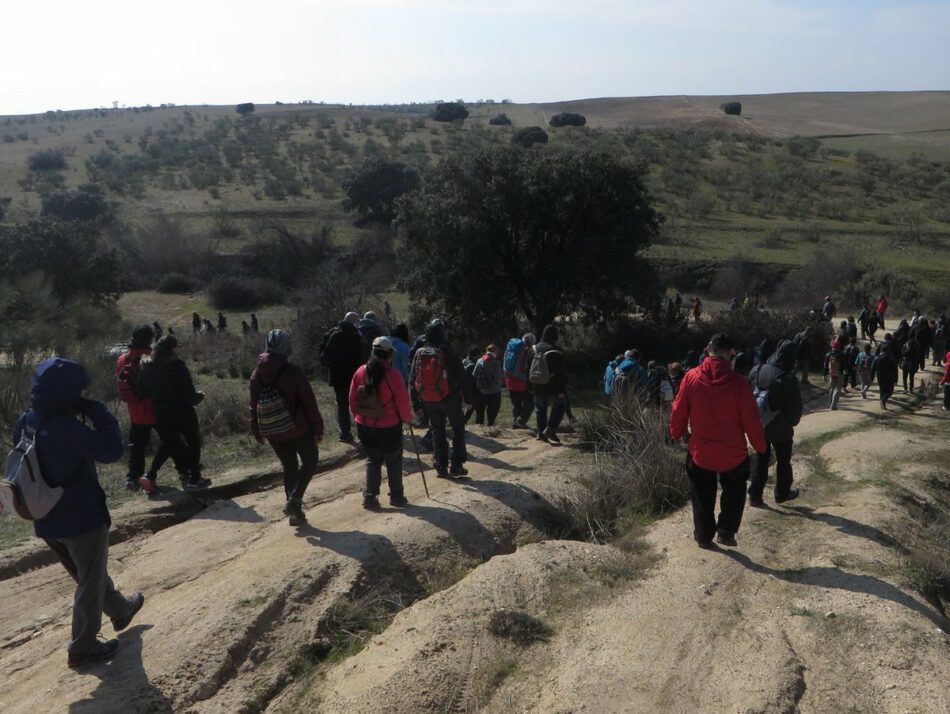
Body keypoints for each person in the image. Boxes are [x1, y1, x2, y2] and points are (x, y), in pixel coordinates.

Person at [12, 358, 144, 668]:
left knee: (89, 575)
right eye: (80, 389)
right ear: (69, 393)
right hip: (80, 518)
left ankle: (121, 610)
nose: (85, 391)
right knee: (89, 581)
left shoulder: (27, 421)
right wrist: (95, 410)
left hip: (44, 516)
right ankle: (82, 648)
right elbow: (112, 450)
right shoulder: (66, 429)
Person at [669, 333, 766, 548]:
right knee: (734, 490)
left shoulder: (691, 377)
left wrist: (676, 433)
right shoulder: (740, 383)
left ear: (708, 349)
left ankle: (704, 535)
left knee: (701, 494)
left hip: (700, 451)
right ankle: (726, 532)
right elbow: (752, 420)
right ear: (730, 353)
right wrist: (760, 446)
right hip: (733, 452)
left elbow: (678, 410)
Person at [249, 330, 324, 526]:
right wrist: (318, 428)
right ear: (286, 347)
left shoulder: (256, 374)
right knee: (310, 460)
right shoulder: (293, 371)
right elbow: (309, 401)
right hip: (297, 428)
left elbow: (253, 405)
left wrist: (256, 430)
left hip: (272, 430)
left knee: (289, 466)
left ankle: (294, 514)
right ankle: (295, 501)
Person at [135, 335, 210, 491]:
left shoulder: (147, 367)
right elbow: (189, 396)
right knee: (193, 442)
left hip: (161, 413)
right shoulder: (178, 367)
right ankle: (195, 478)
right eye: (178, 347)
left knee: (169, 443)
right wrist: (200, 395)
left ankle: (150, 475)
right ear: (173, 348)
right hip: (182, 411)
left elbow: (141, 392)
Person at [115, 325, 180, 494]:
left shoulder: (123, 359)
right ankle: (182, 471)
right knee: (173, 440)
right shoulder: (153, 356)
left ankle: (134, 478)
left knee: (137, 446)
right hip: (156, 409)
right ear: (151, 338)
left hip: (135, 410)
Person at [350, 337, 413, 508]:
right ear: (389, 354)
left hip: (365, 426)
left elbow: (352, 401)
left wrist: (360, 418)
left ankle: (370, 497)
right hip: (389, 427)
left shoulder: (360, 372)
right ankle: (397, 497)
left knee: (373, 459)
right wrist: (407, 419)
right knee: (393, 461)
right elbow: (402, 402)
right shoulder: (393, 375)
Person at [411, 320, 470, 477]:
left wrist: (415, 402)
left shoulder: (420, 352)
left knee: (437, 430)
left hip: (428, 399)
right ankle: (456, 465)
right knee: (458, 428)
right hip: (448, 397)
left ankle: (440, 466)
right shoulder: (446, 350)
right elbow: (461, 374)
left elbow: (413, 379)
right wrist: (469, 397)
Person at [747, 340, 803, 507]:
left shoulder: (757, 370)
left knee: (761, 459)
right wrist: (791, 422)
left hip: (759, 425)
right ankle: (782, 493)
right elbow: (795, 410)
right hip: (781, 428)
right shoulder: (788, 378)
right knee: (783, 461)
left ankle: (755, 495)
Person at [319, 312, 365, 443]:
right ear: (354, 321)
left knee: (342, 406)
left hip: (338, 377)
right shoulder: (358, 335)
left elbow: (325, 357)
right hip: (356, 376)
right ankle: (363, 433)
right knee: (360, 404)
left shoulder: (334, 334)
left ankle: (345, 434)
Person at [530, 324, 569, 444]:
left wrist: (529, 385)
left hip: (536, 384)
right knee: (561, 404)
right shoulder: (555, 351)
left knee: (540, 408)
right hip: (552, 385)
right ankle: (550, 428)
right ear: (554, 335)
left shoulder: (534, 348)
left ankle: (540, 432)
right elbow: (560, 372)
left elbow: (527, 368)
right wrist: (563, 388)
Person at [504, 333, 536, 428]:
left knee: (516, 404)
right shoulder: (526, 351)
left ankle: (515, 424)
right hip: (521, 381)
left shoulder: (510, 348)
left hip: (509, 380)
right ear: (530, 343)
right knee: (529, 403)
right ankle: (521, 421)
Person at [472, 344, 504, 426]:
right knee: (494, 408)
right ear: (495, 351)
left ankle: (479, 425)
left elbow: (474, 374)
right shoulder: (495, 362)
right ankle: (490, 423)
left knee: (482, 409)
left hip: (482, 390)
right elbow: (497, 378)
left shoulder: (480, 360)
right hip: (494, 391)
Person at [871, 344, 899, 410]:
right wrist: (896, 379)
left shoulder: (877, 358)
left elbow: (872, 368)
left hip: (880, 376)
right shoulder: (891, 358)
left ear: (881, 350)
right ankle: (883, 400)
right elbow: (895, 370)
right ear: (888, 350)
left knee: (882, 389)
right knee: (890, 391)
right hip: (889, 376)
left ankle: (883, 404)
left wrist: (872, 378)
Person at [462, 346, 482, 423]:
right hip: (473, 390)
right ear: (475, 355)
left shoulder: (464, 360)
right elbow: (476, 378)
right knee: (479, 409)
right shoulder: (472, 365)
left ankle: (461, 423)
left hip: (466, 389)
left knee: (469, 408)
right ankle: (479, 426)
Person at [824, 340, 845, 410]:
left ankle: (830, 403)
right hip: (839, 373)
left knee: (832, 388)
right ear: (839, 346)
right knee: (838, 389)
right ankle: (833, 405)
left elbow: (825, 365)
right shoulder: (842, 354)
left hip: (831, 373)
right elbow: (844, 364)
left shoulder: (828, 354)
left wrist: (824, 374)